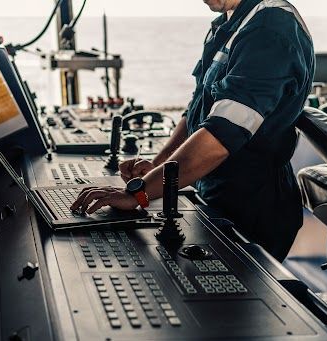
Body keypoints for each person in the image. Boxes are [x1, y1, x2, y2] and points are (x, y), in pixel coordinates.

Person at [71, 0, 314, 261]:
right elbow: (199, 109)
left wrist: (138, 194)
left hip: (252, 205)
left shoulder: (270, 30)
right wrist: (156, 168)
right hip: (211, 191)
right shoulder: (231, 22)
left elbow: (221, 136)